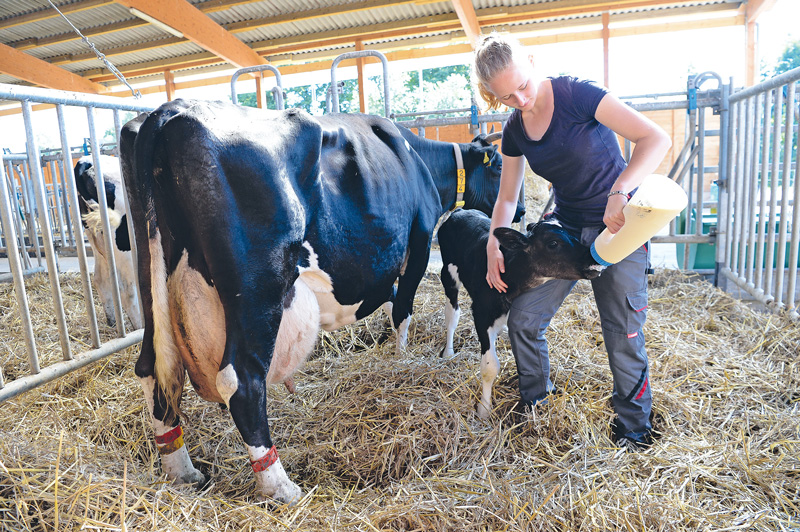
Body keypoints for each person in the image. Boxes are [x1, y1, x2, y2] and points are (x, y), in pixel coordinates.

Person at [474, 33, 672, 449]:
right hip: (562, 231)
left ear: (531, 61)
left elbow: (655, 139)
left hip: (617, 227)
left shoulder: (577, 94)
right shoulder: (515, 130)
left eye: (523, 86)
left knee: (622, 332)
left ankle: (634, 429)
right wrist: (495, 241)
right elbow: (508, 196)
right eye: (507, 97)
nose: (522, 101)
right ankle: (537, 408)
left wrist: (621, 190)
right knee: (524, 320)